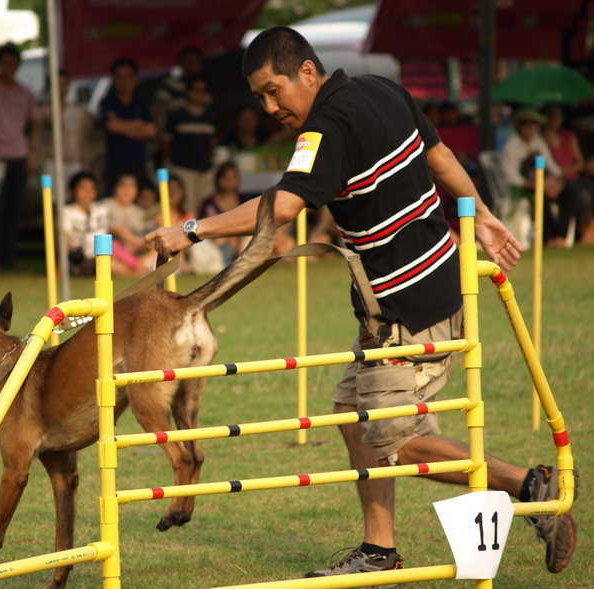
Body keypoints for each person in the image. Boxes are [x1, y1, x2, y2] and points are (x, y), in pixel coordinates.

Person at [148, 26, 576, 580]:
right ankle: (379, 548)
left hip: (408, 305)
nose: (270, 107)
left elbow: (282, 207)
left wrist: (191, 229)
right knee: (352, 414)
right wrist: (484, 214)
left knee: (396, 443)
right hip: (414, 295)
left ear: (308, 71)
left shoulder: (324, 129)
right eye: (259, 97)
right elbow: (441, 156)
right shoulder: (382, 88)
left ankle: (533, 486)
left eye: (274, 90)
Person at [0, 43, 41, 271]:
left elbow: (35, 124)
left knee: (14, 209)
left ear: (18, 65)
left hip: (19, 154)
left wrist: (32, 152)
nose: (8, 67)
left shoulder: (25, 93)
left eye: (13, 63)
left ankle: (8, 257)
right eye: (4, 63)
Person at [500, 108, 583, 247]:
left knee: (571, 193)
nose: (529, 127)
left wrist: (557, 183)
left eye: (532, 123)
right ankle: (547, 239)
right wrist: (538, 185)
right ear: (519, 126)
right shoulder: (511, 146)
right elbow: (512, 177)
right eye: (525, 123)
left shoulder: (538, 142)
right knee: (541, 198)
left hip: (544, 184)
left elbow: (552, 166)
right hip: (523, 188)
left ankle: (561, 237)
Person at [98, 57, 156, 195]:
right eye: (120, 76)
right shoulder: (108, 102)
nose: (124, 81)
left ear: (135, 78)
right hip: (115, 163)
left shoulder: (142, 102)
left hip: (139, 161)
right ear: (113, 79)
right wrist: (137, 125)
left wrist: (121, 125)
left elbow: (151, 131)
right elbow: (111, 126)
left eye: (128, 76)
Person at [162, 75, 216, 213]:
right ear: (188, 92)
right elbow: (167, 142)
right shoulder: (176, 115)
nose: (199, 94)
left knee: (206, 207)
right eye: (195, 90)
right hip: (183, 169)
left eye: (202, 91)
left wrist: (211, 162)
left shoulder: (209, 115)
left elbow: (212, 143)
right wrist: (168, 163)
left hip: (205, 169)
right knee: (188, 207)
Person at [541, 104, 594, 245]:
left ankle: (588, 229)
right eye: (553, 115)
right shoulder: (541, 139)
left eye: (559, 115)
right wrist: (558, 174)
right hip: (555, 182)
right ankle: (562, 237)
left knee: (585, 190)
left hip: (572, 179)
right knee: (576, 194)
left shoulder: (568, 136)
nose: (556, 119)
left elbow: (580, 164)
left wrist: (561, 171)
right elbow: (550, 166)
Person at [40, 69, 92, 184]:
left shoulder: (77, 112)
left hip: (75, 163)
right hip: (51, 163)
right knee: (48, 194)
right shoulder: (44, 111)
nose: (61, 88)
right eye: (57, 84)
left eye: (64, 84)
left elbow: (82, 140)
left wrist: (86, 163)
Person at [100, 171, 155, 275]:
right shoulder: (105, 206)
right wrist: (141, 244)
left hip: (138, 254)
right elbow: (117, 229)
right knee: (107, 262)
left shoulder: (140, 212)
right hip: (114, 253)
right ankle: (136, 273)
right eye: (123, 185)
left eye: (132, 186)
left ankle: (138, 270)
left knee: (157, 249)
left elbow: (150, 234)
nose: (127, 190)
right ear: (115, 187)